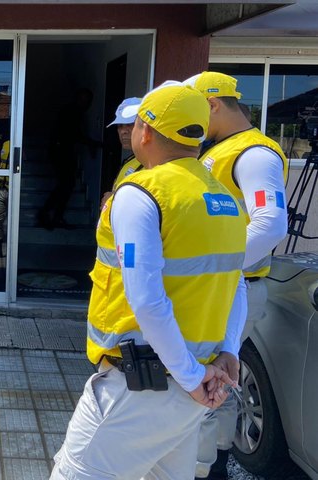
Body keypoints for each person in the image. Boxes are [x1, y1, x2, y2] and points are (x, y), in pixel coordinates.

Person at [50, 82, 247, 480]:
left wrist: (192, 378)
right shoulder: (223, 197)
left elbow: (147, 299)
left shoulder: (142, 194)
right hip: (198, 380)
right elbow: (236, 285)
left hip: (144, 386)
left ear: (145, 132)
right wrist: (228, 352)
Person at [185, 71, 289, 480]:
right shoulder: (224, 149)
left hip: (232, 286)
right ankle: (214, 464)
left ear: (212, 104)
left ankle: (202, 469)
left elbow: (269, 224)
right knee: (219, 380)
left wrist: (213, 267)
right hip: (225, 284)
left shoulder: (254, 154)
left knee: (202, 383)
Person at [38, 88, 99, 230]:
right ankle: (49, 214)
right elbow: (73, 134)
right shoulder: (71, 112)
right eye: (83, 100)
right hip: (60, 151)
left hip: (63, 150)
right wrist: (91, 143)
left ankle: (51, 215)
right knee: (66, 185)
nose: (85, 104)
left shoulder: (74, 112)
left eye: (87, 101)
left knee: (66, 185)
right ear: (77, 99)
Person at [100, 97, 142, 209]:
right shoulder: (130, 161)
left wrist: (112, 200)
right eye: (120, 126)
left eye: (130, 124)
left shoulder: (154, 162)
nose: (123, 131)